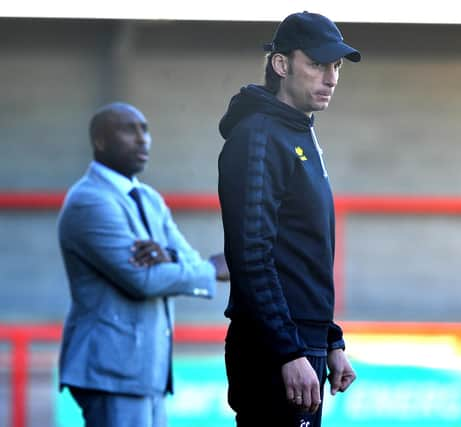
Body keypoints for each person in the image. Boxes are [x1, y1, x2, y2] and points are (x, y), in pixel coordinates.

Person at [217, 11, 360, 427]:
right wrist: (288, 351)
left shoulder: (299, 131)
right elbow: (251, 254)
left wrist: (329, 337)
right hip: (275, 349)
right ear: (281, 65)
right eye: (317, 64)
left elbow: (303, 251)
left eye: (335, 66)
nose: (330, 77)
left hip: (303, 341)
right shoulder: (258, 135)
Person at [57, 102, 229, 427]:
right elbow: (143, 280)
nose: (142, 140)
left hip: (147, 370)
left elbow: (185, 257)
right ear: (100, 141)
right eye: (129, 130)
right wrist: (209, 270)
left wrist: (173, 258)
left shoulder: (149, 198)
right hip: (111, 371)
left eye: (145, 130)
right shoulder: (89, 200)